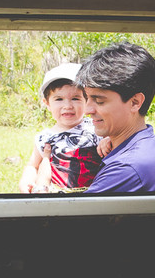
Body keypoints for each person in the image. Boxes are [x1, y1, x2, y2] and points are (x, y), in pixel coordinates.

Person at [78, 42, 155, 193]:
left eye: (99, 101)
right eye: (86, 98)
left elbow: (72, 214)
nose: (87, 110)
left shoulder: (127, 168)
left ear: (135, 102)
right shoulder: (137, 142)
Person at [18, 62, 104, 193]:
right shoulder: (44, 138)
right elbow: (33, 166)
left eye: (75, 98)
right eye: (59, 99)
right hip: (59, 198)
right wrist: (26, 181)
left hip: (94, 194)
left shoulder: (96, 126)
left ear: (87, 100)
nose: (68, 105)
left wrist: (107, 142)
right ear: (47, 103)